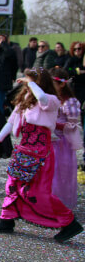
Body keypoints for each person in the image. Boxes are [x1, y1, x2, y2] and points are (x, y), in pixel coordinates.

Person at [0, 68, 83, 243]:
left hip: (41, 153)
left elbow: (43, 99)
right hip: (24, 148)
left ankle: (69, 223)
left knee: (39, 192)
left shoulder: (51, 100)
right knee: (12, 184)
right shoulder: (25, 100)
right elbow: (12, 121)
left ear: (39, 83)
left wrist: (31, 83)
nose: (25, 85)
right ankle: (6, 219)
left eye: (30, 82)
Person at [50, 67, 81, 209]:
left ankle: (60, 203)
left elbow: (73, 125)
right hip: (48, 141)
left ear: (62, 84)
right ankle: (47, 202)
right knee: (48, 172)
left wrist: (54, 124)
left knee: (60, 173)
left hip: (62, 143)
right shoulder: (51, 98)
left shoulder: (70, 102)